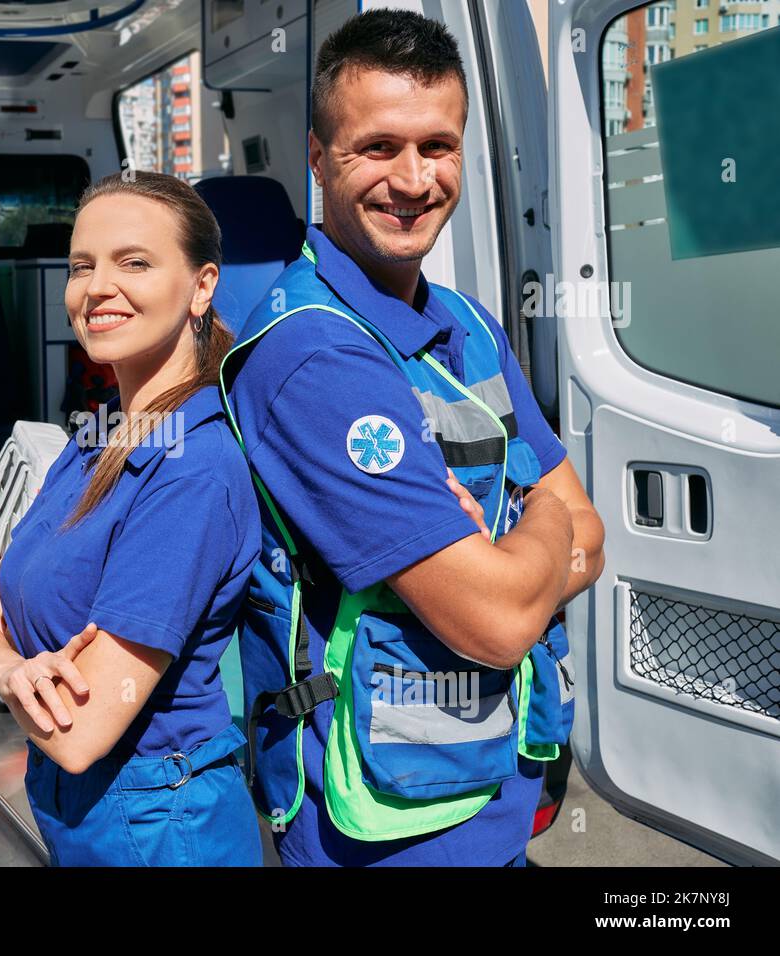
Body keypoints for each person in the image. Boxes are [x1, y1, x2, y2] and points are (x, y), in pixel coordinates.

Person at [220, 9, 605, 866]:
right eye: (378, 148)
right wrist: (537, 524)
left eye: (438, 146)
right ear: (318, 160)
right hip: (387, 829)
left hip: (498, 789)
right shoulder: (312, 357)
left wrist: (513, 543)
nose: (413, 178)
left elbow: (595, 537)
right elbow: (502, 618)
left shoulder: (467, 323)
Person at [0, 170, 263, 866]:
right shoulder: (96, 440)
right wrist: (11, 674)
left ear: (202, 286)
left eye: (135, 263)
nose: (96, 288)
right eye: (81, 267)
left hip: (160, 826)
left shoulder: (193, 471)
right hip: (80, 814)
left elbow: (79, 732)